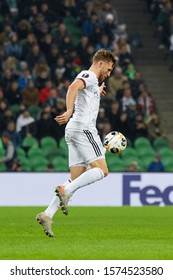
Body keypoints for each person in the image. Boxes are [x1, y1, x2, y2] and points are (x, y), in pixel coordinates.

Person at [36, 49, 117, 237]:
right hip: (84, 129)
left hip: (73, 131)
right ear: (100, 63)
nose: (109, 73)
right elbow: (73, 87)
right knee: (102, 170)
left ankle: (47, 214)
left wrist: (97, 91)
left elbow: (85, 91)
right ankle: (65, 191)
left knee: (75, 177)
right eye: (109, 68)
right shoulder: (88, 75)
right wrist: (69, 110)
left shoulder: (93, 82)